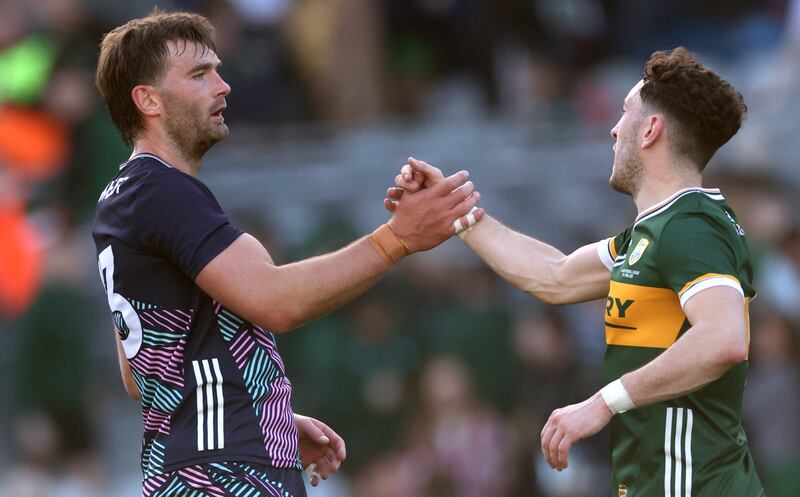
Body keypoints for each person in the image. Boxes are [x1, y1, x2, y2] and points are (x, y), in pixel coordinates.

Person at [91, 10, 483, 497]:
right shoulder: (160, 192)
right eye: (200, 74)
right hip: (222, 474)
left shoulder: (123, 197)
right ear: (147, 99)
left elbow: (141, 373)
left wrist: (263, 412)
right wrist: (397, 238)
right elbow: (277, 301)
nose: (224, 85)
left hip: (197, 464)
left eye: (217, 68)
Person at [388, 47, 765, 496]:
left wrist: (604, 402)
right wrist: (455, 213)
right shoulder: (653, 234)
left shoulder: (690, 226)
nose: (612, 128)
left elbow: (724, 339)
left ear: (650, 130)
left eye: (624, 113)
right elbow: (556, 275)